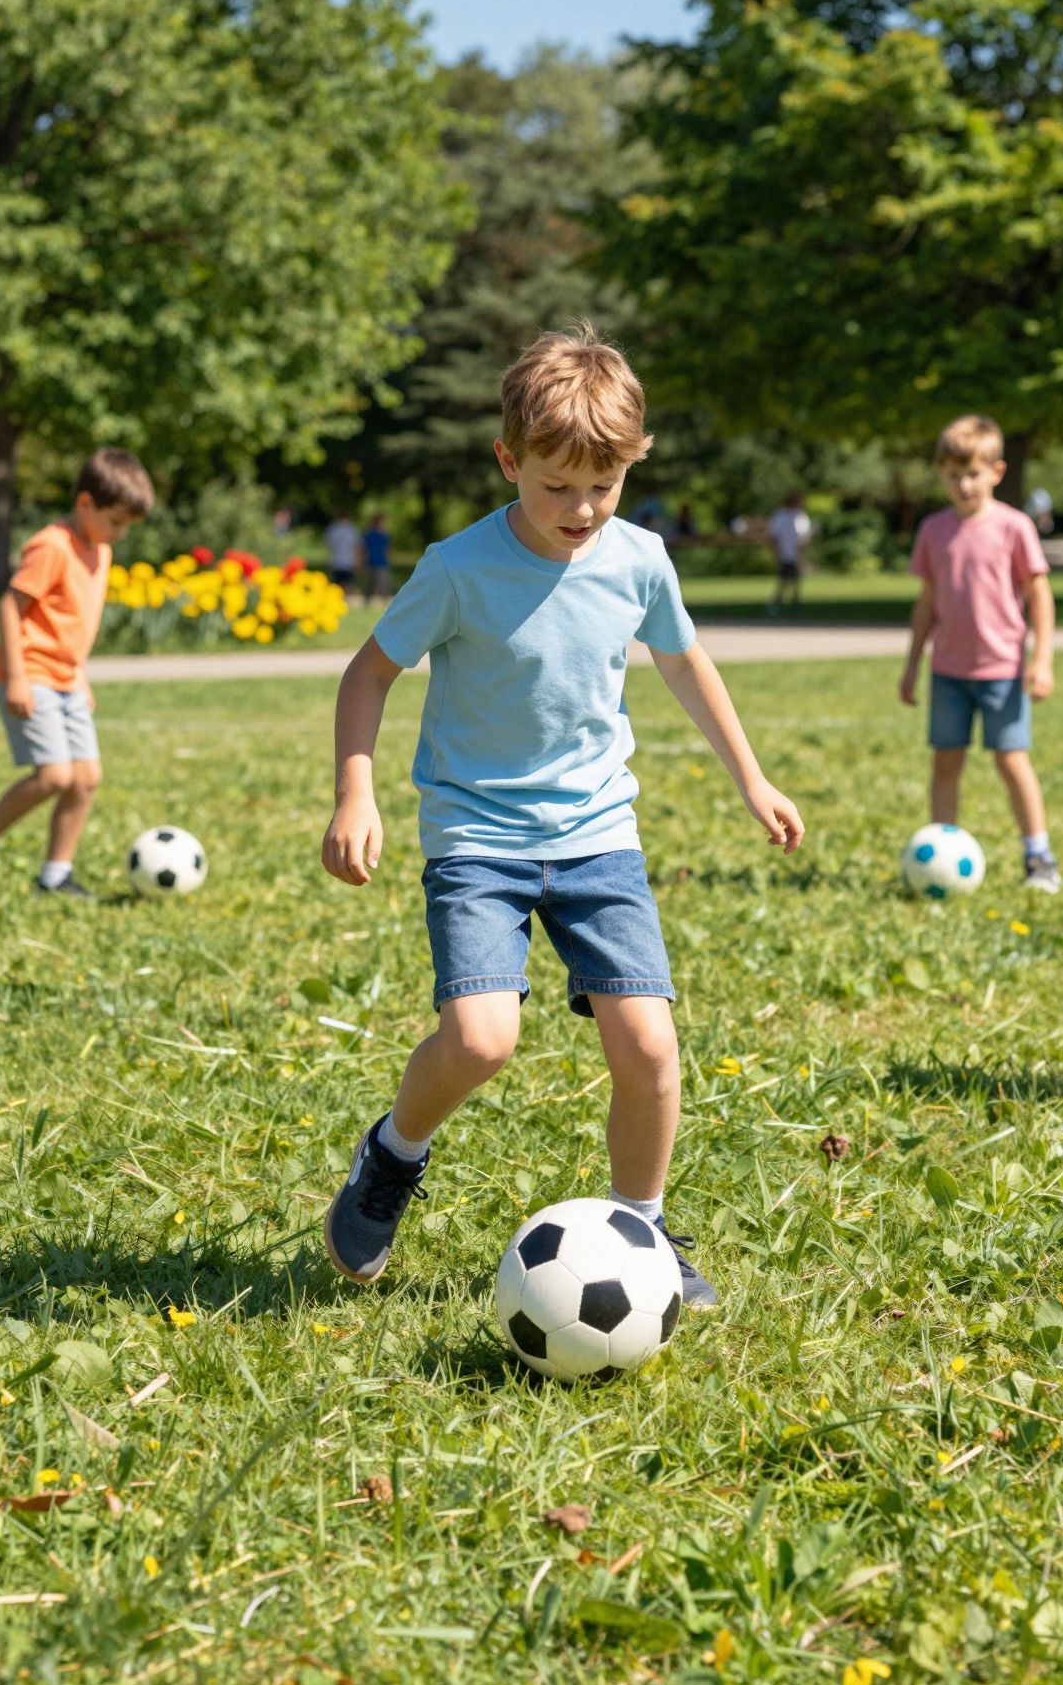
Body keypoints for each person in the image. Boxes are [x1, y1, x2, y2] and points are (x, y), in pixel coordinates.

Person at [320, 326, 804, 1305]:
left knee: (650, 1045)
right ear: (510, 461)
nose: (582, 508)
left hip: (597, 835)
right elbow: (369, 669)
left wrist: (750, 776)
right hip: (478, 835)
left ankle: (645, 1230)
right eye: (557, 486)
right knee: (483, 1038)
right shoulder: (458, 566)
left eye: (605, 483)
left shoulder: (640, 558)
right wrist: (354, 789)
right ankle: (392, 1154)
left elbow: (684, 662)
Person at [0, 447, 154, 906]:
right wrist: (16, 677)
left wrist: (79, 675)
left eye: (127, 526)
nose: (119, 534)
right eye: (115, 521)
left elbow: (71, 624)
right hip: (29, 673)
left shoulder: (99, 549)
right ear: (85, 504)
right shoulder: (52, 546)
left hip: (65, 678)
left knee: (86, 778)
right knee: (55, 776)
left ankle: (56, 874)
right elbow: (10, 607)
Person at [900, 415, 1059, 893]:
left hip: (1002, 672)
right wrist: (912, 666)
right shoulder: (934, 530)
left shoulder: (1015, 527)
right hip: (948, 672)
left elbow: (1040, 596)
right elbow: (927, 603)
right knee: (946, 763)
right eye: (953, 474)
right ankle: (941, 855)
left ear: (997, 471)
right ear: (941, 475)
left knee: (1012, 760)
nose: (964, 484)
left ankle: (1039, 856)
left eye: (973, 473)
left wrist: (1043, 659)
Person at [766, 492, 812, 613]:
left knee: (795, 580)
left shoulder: (800, 516)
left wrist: (802, 550)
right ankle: (777, 603)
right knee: (783, 579)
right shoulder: (780, 516)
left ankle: (795, 603)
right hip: (784, 553)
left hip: (795, 554)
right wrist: (775, 552)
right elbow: (774, 537)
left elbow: (805, 536)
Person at [325, 509, 362, 594]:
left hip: (336, 561)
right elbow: (356, 547)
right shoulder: (352, 529)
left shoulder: (332, 529)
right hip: (349, 561)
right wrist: (358, 561)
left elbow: (329, 547)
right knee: (349, 584)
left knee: (337, 587)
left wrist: (329, 560)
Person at [362, 512, 392, 603]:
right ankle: (367, 601)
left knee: (383, 584)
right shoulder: (369, 535)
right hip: (372, 561)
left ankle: (386, 601)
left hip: (381, 562)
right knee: (370, 584)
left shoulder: (384, 535)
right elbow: (364, 549)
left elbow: (387, 549)